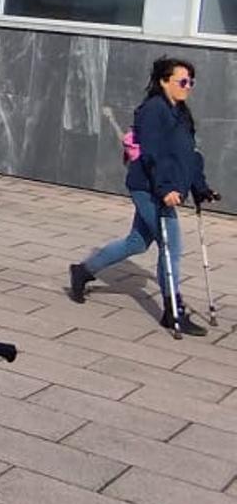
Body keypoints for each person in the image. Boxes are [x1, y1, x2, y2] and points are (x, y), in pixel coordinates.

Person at [68, 56, 215, 334]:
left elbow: (190, 155)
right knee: (171, 246)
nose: (188, 87)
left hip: (165, 188)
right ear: (164, 81)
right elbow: (151, 156)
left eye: (191, 82)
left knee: (136, 242)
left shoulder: (181, 113)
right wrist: (165, 189)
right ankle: (173, 311)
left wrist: (201, 187)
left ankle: (83, 271)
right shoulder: (153, 111)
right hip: (149, 188)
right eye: (182, 81)